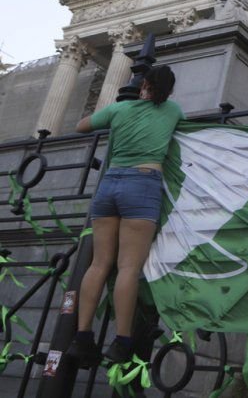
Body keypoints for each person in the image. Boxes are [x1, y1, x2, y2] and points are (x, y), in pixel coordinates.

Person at [66, 65, 184, 367]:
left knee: (99, 264)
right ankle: (121, 341)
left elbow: (81, 126)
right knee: (129, 268)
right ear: (169, 91)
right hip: (142, 185)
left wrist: (120, 110)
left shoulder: (120, 109)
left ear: (143, 84)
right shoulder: (172, 111)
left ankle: (82, 338)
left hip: (110, 185)